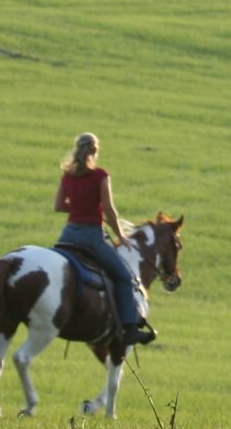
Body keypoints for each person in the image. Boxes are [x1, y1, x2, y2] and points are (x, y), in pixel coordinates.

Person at [54, 132, 156, 346]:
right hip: (91, 237)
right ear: (95, 151)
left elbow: (59, 206)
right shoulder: (100, 175)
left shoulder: (68, 174)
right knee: (123, 277)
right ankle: (129, 328)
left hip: (68, 235)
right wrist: (120, 235)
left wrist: (80, 206)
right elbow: (109, 210)